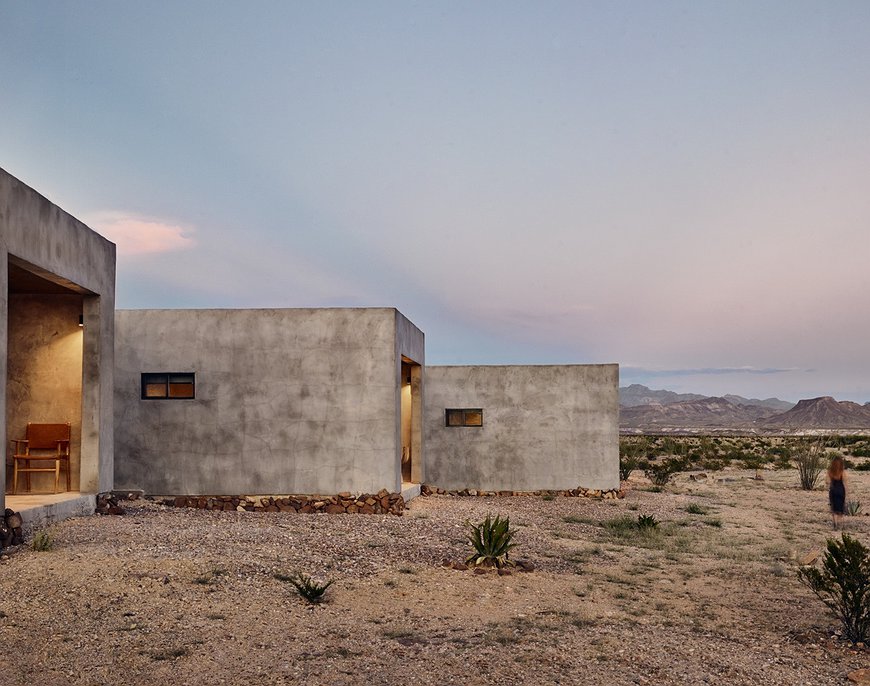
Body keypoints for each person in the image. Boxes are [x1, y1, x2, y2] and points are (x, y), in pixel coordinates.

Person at [828, 455, 847, 530]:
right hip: (841, 490)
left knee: (834, 508)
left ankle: (835, 524)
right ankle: (840, 525)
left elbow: (827, 481)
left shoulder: (830, 472)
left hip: (833, 490)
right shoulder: (842, 472)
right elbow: (845, 481)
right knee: (840, 509)